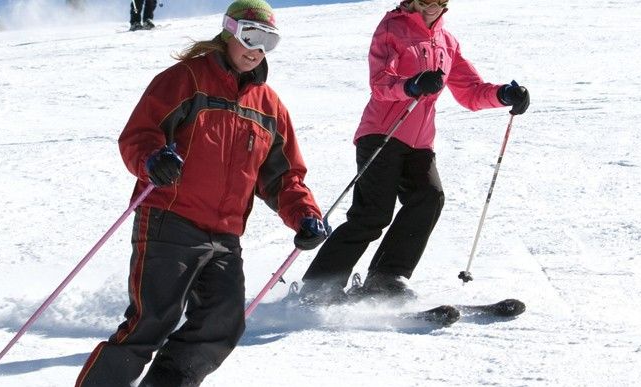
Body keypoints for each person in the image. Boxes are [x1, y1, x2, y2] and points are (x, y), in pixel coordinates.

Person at [75, 1, 329, 386]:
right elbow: (140, 135)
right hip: (169, 219)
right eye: (250, 36)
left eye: (268, 42)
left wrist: (304, 215)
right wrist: (153, 161)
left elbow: (283, 177)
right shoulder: (186, 79)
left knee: (222, 323)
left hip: (225, 236)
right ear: (229, 32)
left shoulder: (270, 106)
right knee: (150, 323)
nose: (256, 49)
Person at [298, 0, 530, 305]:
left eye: (440, 1)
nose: (433, 7)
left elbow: (471, 91)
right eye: (425, 1)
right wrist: (411, 85)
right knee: (372, 214)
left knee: (429, 197)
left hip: (420, 142)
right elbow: (380, 82)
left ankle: (386, 278)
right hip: (383, 132)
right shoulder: (392, 28)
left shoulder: (447, 41)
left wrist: (503, 94)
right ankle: (319, 286)